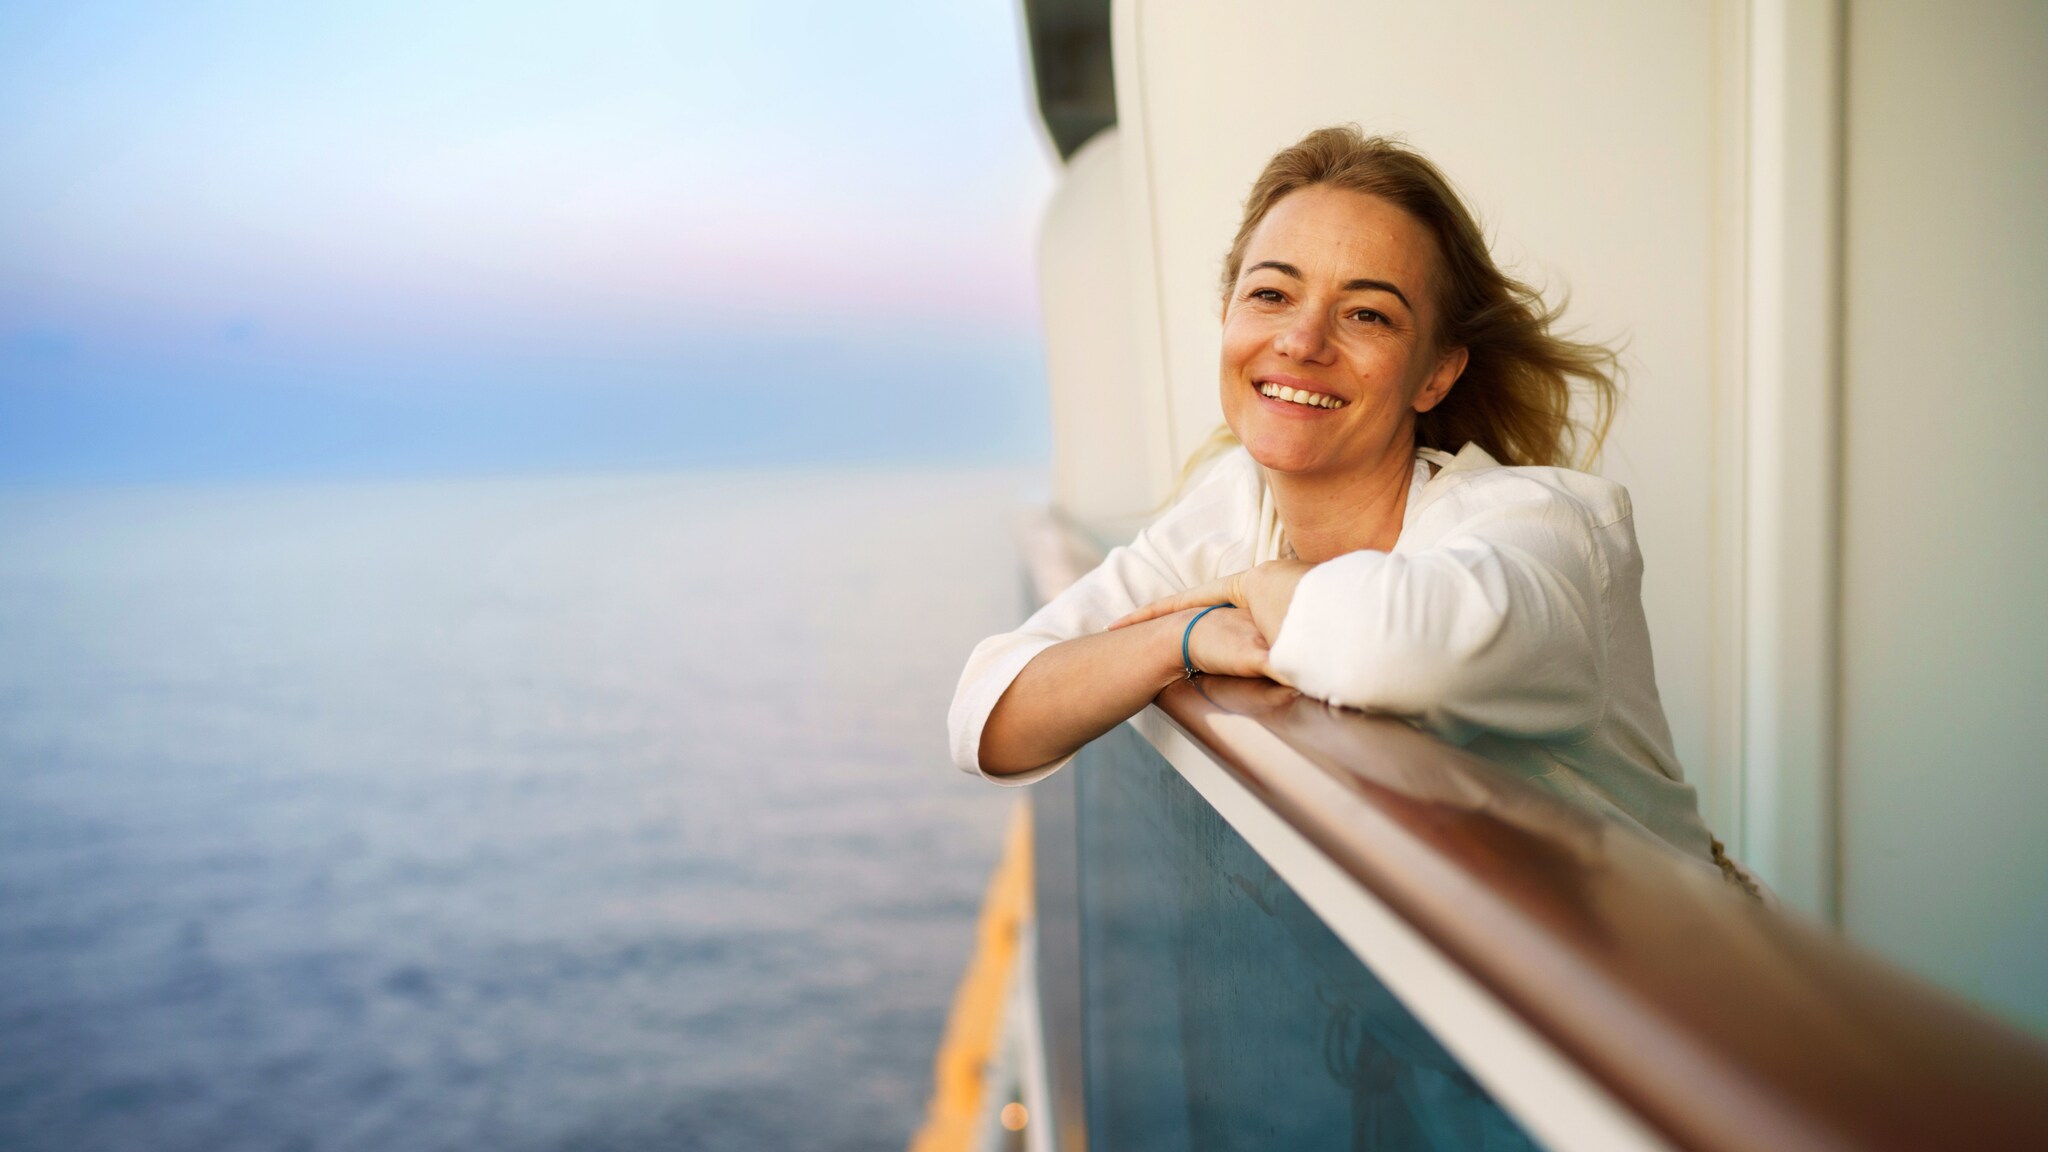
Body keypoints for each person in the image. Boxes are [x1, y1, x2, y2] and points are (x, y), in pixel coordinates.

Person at [949, 126, 1730, 873]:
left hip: (1689, 995)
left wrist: (1256, 592)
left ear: (1435, 374)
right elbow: (987, 716)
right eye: (1271, 294)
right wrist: (1180, 638)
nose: (1303, 340)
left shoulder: (1550, 527)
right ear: (1227, 317)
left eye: (1367, 314)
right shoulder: (1237, 510)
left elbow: (1387, 648)